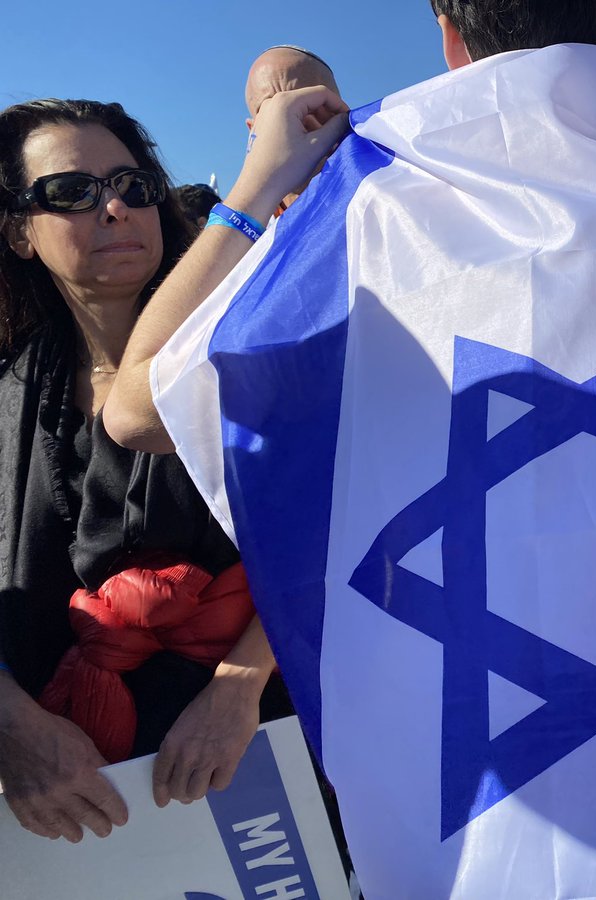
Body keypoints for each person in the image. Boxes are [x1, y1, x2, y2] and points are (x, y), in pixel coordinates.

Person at [0, 99, 284, 844]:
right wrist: (13, 725)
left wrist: (240, 685)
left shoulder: (256, 347)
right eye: (72, 193)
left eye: (132, 182)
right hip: (63, 807)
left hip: (268, 756)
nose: (117, 207)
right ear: (18, 233)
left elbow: (346, 525)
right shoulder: (9, 395)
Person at [244, 45, 342, 216]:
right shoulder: (248, 230)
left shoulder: (381, 195)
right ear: (252, 130)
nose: (288, 122)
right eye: (270, 109)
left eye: (305, 103)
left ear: (337, 110)